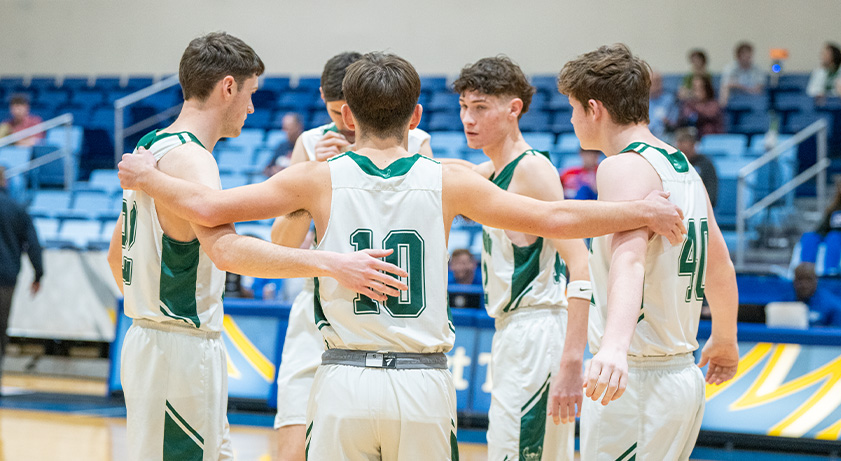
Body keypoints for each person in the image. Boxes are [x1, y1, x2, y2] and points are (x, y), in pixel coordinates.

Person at [117, 52, 687, 460]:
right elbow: (556, 218)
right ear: (416, 116)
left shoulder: (314, 177)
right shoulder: (450, 180)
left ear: (348, 115)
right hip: (422, 382)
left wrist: (149, 177)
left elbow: (211, 210)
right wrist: (638, 210)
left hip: (343, 378)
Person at [105, 34, 409, 461]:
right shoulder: (193, 159)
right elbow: (227, 252)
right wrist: (333, 264)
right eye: (250, 94)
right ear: (228, 87)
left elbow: (115, 256)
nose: (251, 108)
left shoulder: (150, 147)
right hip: (179, 346)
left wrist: (150, 313)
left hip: (154, 341)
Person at [557, 43, 740, 460]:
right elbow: (720, 267)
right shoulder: (683, 167)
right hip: (680, 379)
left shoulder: (621, 166)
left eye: (573, 109)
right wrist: (725, 338)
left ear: (594, 108)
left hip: (636, 378)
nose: (570, 120)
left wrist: (614, 346)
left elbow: (630, 258)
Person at [267, 51, 434, 461]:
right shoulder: (310, 144)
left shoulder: (416, 141)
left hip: (387, 314)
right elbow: (282, 242)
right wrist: (316, 178)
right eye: (335, 112)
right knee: (292, 445)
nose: (345, 123)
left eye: (351, 112)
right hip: (319, 307)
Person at [452, 55, 592, 460]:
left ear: (514, 109)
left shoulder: (532, 171)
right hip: (514, 333)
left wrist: (572, 360)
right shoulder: (492, 171)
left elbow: (580, 263)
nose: (468, 119)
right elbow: (440, 170)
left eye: (481, 107)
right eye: (464, 106)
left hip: (539, 331)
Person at [0, 166, 42, 390]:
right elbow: (33, 244)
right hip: (5, 279)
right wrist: (38, 274)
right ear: (4, 181)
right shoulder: (17, 209)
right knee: (1, 327)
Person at [675, 127, 718, 207]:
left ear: (693, 145)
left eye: (686, 151)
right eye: (680, 150)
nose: (683, 154)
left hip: (700, 208)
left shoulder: (705, 164)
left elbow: (711, 195)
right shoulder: (673, 163)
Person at [791, 262, 841, 326]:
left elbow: (835, 331)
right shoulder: (785, 303)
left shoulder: (832, 306)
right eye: (800, 279)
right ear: (794, 281)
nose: (804, 284)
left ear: (816, 280)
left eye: (808, 279)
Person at [720, 41, 765, 105]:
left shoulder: (758, 69)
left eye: (749, 55)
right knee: (725, 90)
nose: (747, 57)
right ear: (738, 56)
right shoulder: (730, 68)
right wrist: (747, 88)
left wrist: (739, 86)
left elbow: (758, 89)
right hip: (734, 98)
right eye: (744, 55)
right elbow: (726, 85)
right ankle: (723, 108)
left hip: (753, 99)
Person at [263, 112, 304, 177]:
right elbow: (266, 170)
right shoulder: (282, 146)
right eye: (284, 128)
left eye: (288, 128)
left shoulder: (306, 145)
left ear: (298, 127)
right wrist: (275, 171)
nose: (285, 131)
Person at [648, 72, 677, 139]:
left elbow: (674, 123)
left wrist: (667, 122)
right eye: (653, 82)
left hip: (665, 136)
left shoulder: (670, 100)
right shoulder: (641, 102)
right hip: (646, 135)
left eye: (658, 81)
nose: (655, 84)